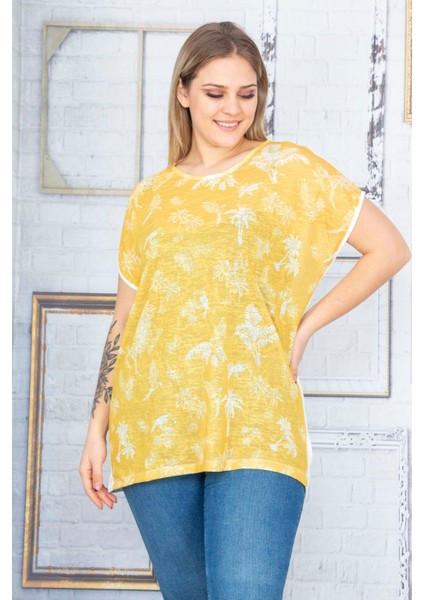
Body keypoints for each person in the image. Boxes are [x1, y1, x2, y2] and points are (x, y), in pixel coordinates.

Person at [79, 21, 411, 600]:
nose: (232, 108)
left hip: (257, 422)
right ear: (183, 92)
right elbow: (124, 323)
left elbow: (389, 249)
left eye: (247, 93)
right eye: (215, 93)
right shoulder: (150, 198)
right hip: (154, 428)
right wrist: (95, 430)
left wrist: (303, 328)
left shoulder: (287, 169)